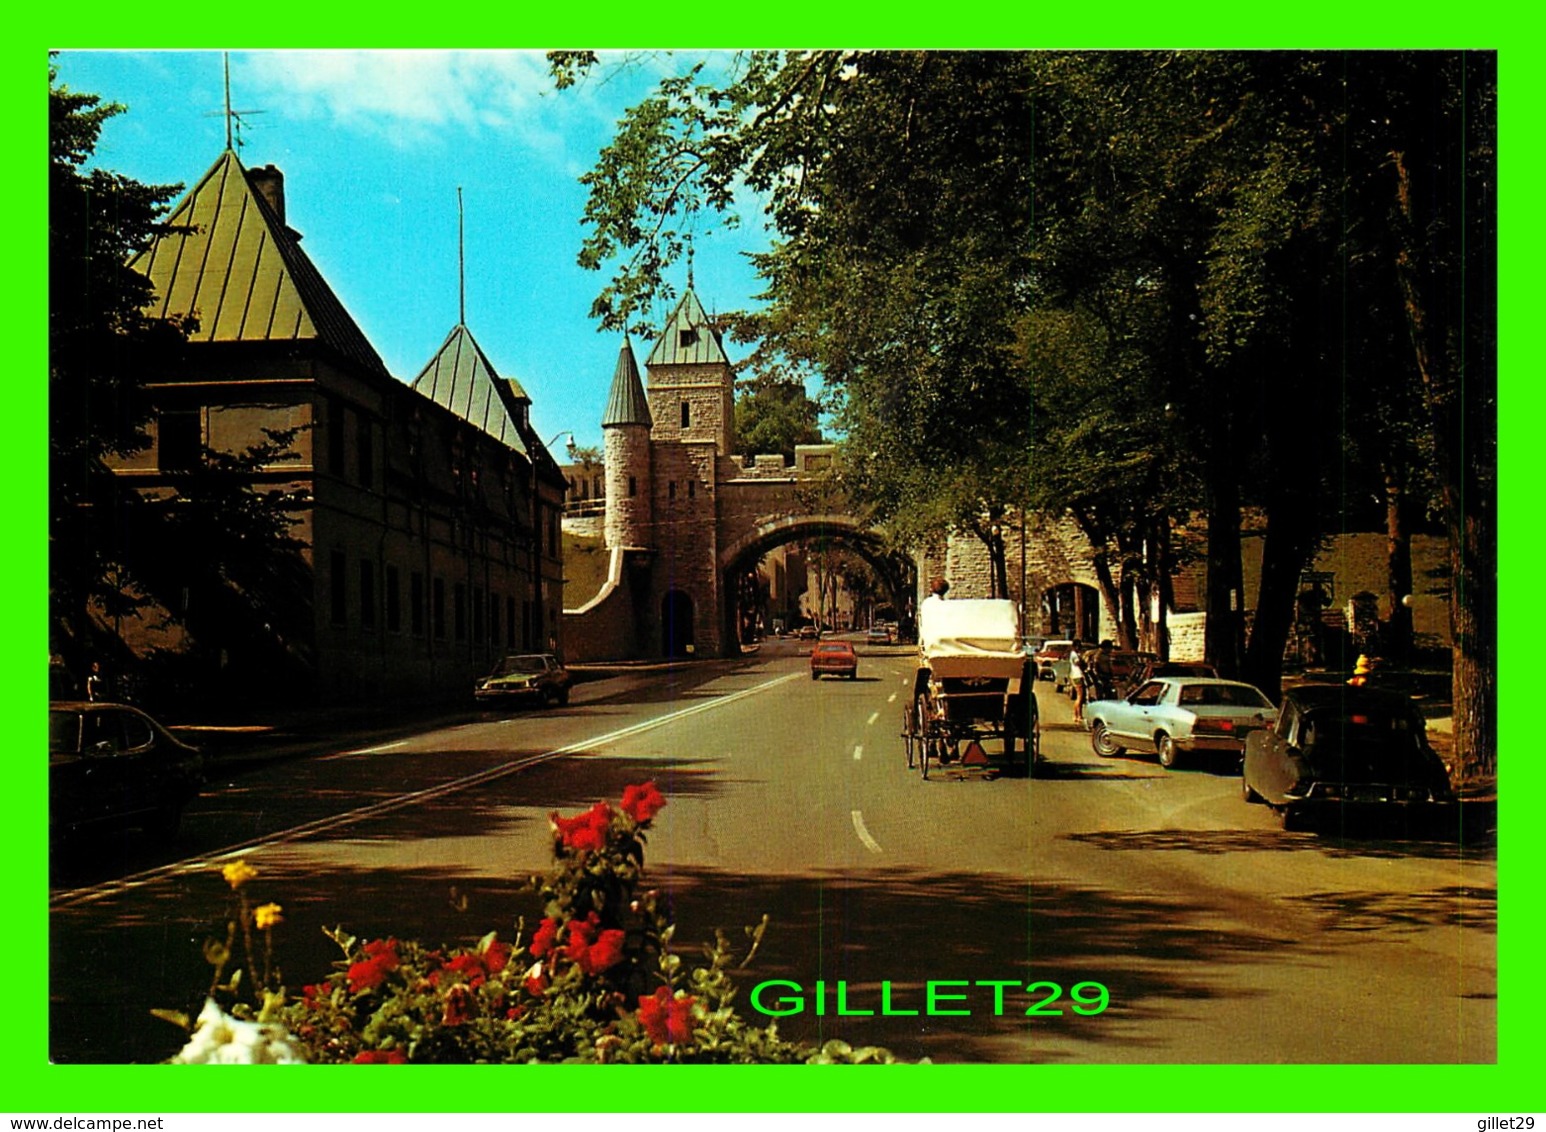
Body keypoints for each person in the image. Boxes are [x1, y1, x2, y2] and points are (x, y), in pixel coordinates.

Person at [1068, 640, 1087, 725]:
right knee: (1080, 697)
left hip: (1075, 675)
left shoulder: (1074, 654)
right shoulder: (1074, 655)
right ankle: (1078, 715)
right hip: (1077, 675)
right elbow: (1079, 663)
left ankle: (1077, 715)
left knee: (1079, 696)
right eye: (1079, 646)